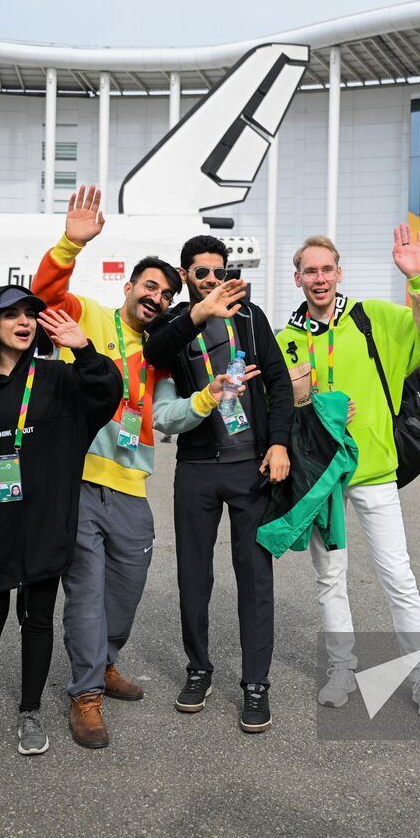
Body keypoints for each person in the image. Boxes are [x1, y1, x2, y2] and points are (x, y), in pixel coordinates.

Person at [31, 185, 247, 748]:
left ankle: (103, 663)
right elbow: (45, 291)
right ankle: (85, 694)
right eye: (149, 286)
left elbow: (170, 417)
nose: (156, 296)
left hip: (131, 488)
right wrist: (70, 244)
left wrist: (211, 395)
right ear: (129, 287)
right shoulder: (92, 315)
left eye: (165, 293)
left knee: (124, 592)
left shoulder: (160, 353)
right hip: (80, 481)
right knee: (85, 593)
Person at [276, 227, 420, 720]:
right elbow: (283, 407)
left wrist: (417, 274)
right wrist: (314, 409)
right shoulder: (286, 341)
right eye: (310, 270)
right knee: (329, 578)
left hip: (374, 471)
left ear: (339, 272)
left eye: (327, 269)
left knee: (397, 575)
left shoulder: (373, 319)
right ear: (298, 278)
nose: (319, 278)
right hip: (322, 478)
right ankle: (341, 668)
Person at [0, 286, 121, 757]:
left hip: (45, 519)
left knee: (37, 619)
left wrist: (84, 348)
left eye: (31, 314)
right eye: (10, 315)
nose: (24, 322)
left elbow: (107, 391)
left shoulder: (58, 378)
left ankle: (29, 709)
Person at [141, 235, 294, 733]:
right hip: (198, 466)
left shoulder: (251, 317)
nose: (212, 279)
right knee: (193, 575)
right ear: (186, 275)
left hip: (250, 464)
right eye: (201, 272)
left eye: (218, 271)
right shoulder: (172, 323)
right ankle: (199, 669)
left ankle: (256, 683)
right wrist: (199, 312)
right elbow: (154, 352)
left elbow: (277, 382)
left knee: (254, 576)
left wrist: (279, 444)